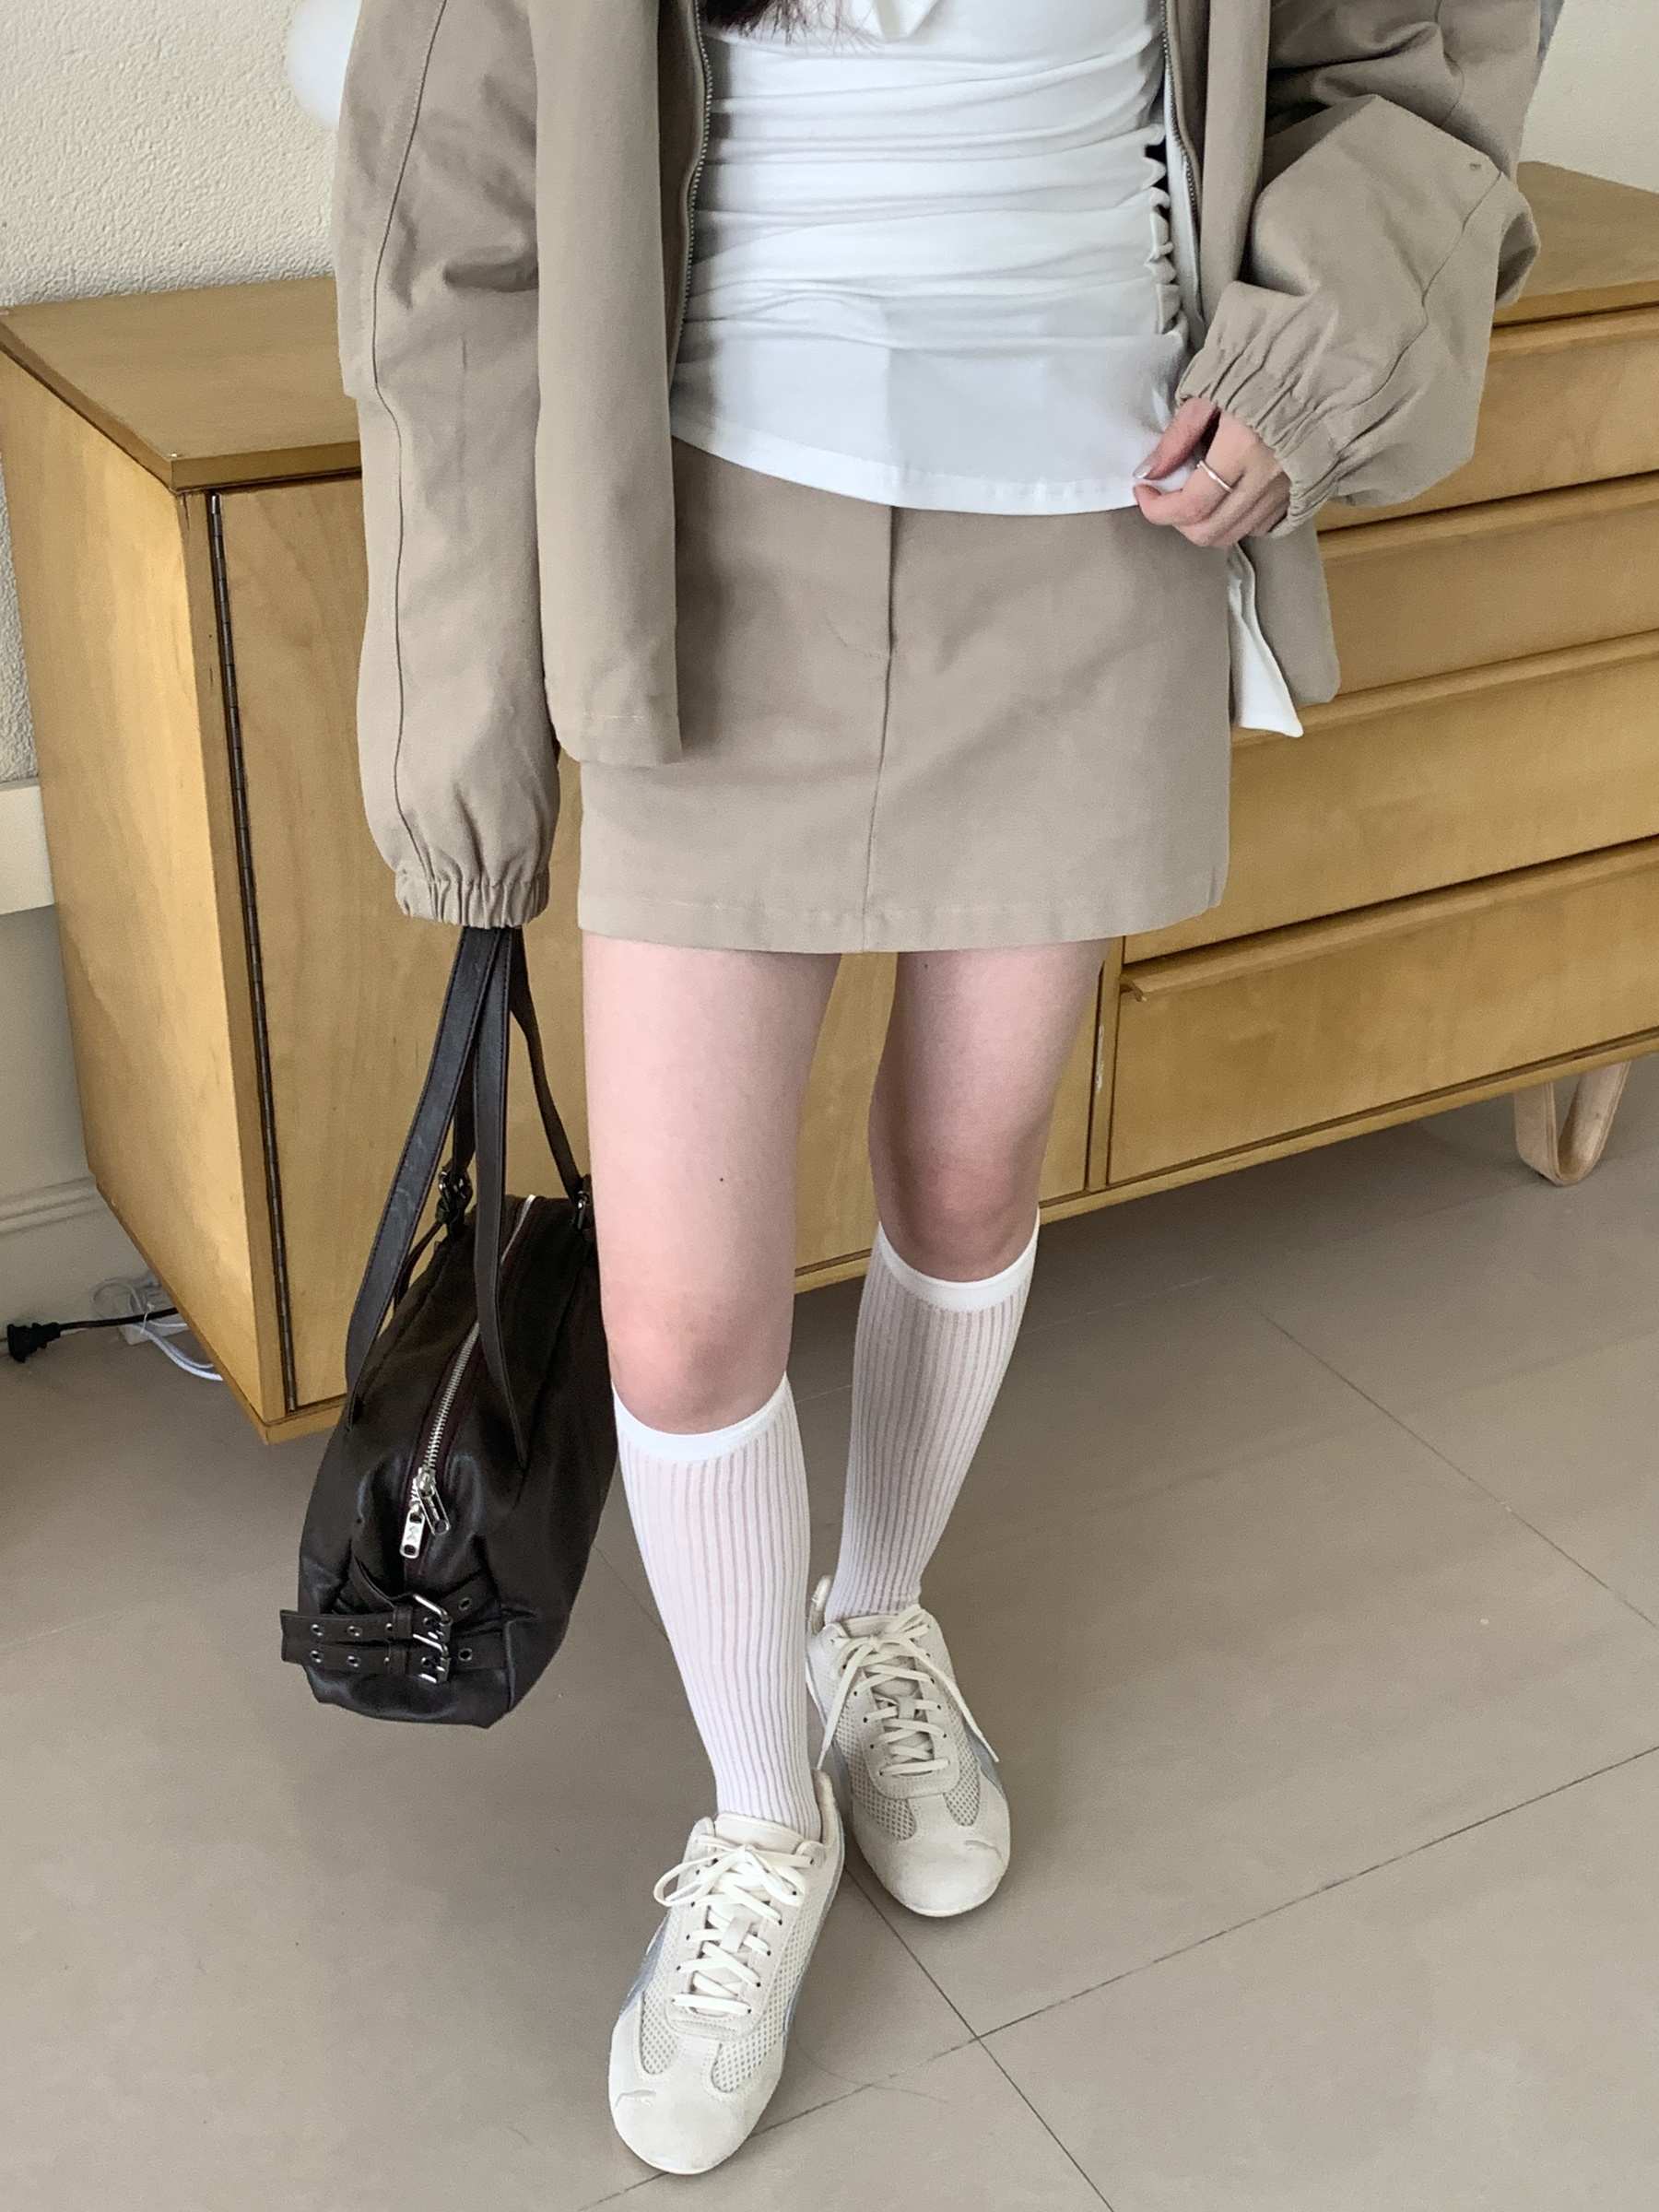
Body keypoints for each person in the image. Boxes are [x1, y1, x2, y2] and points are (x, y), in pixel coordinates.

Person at [333, 0, 1541, 2176]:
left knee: (969, 1176)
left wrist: (1320, 345)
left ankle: (871, 1621)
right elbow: (454, 180)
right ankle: (760, 1817)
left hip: (1104, 502)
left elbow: (1424, 45)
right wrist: (462, 715)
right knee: (677, 1311)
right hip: (697, 519)